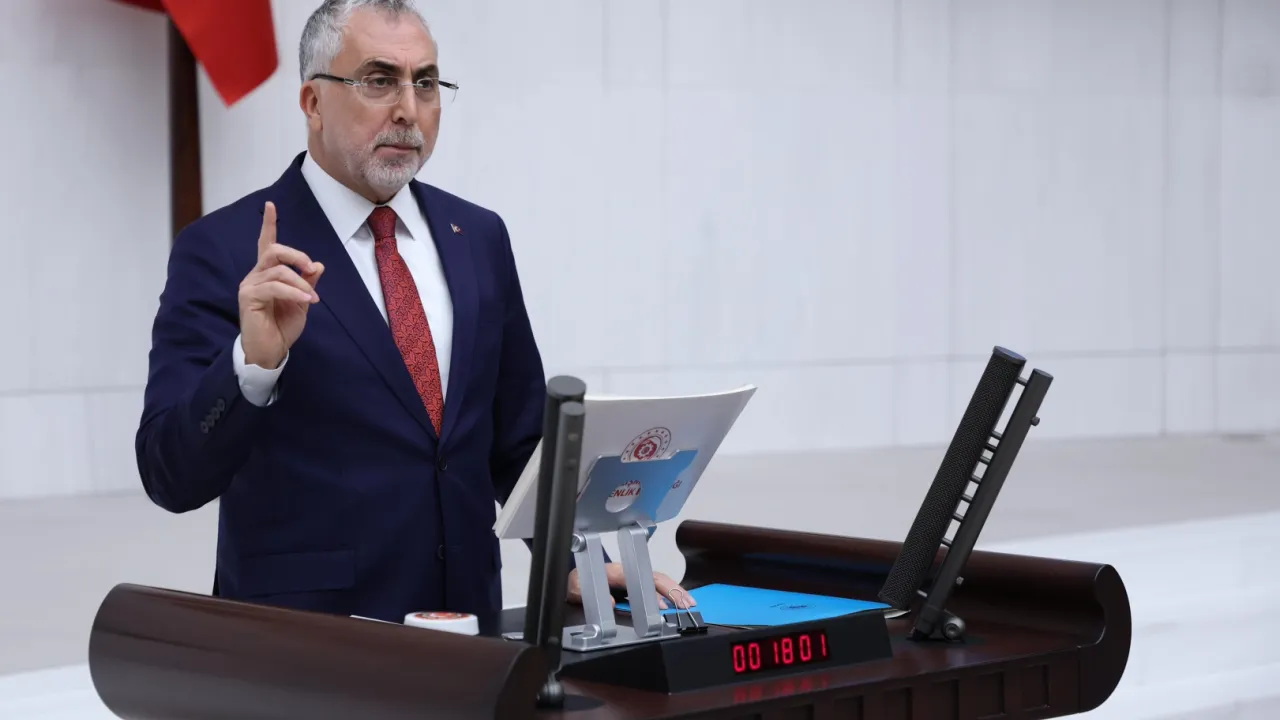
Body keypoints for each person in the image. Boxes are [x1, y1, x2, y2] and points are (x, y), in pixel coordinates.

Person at [136, 0, 690, 623]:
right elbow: (168, 474)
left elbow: (517, 443)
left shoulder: (477, 236)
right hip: (308, 642)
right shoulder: (227, 250)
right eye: (379, 80)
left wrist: (573, 563)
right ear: (313, 103)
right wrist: (252, 366)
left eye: (425, 83)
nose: (408, 108)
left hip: (467, 631)